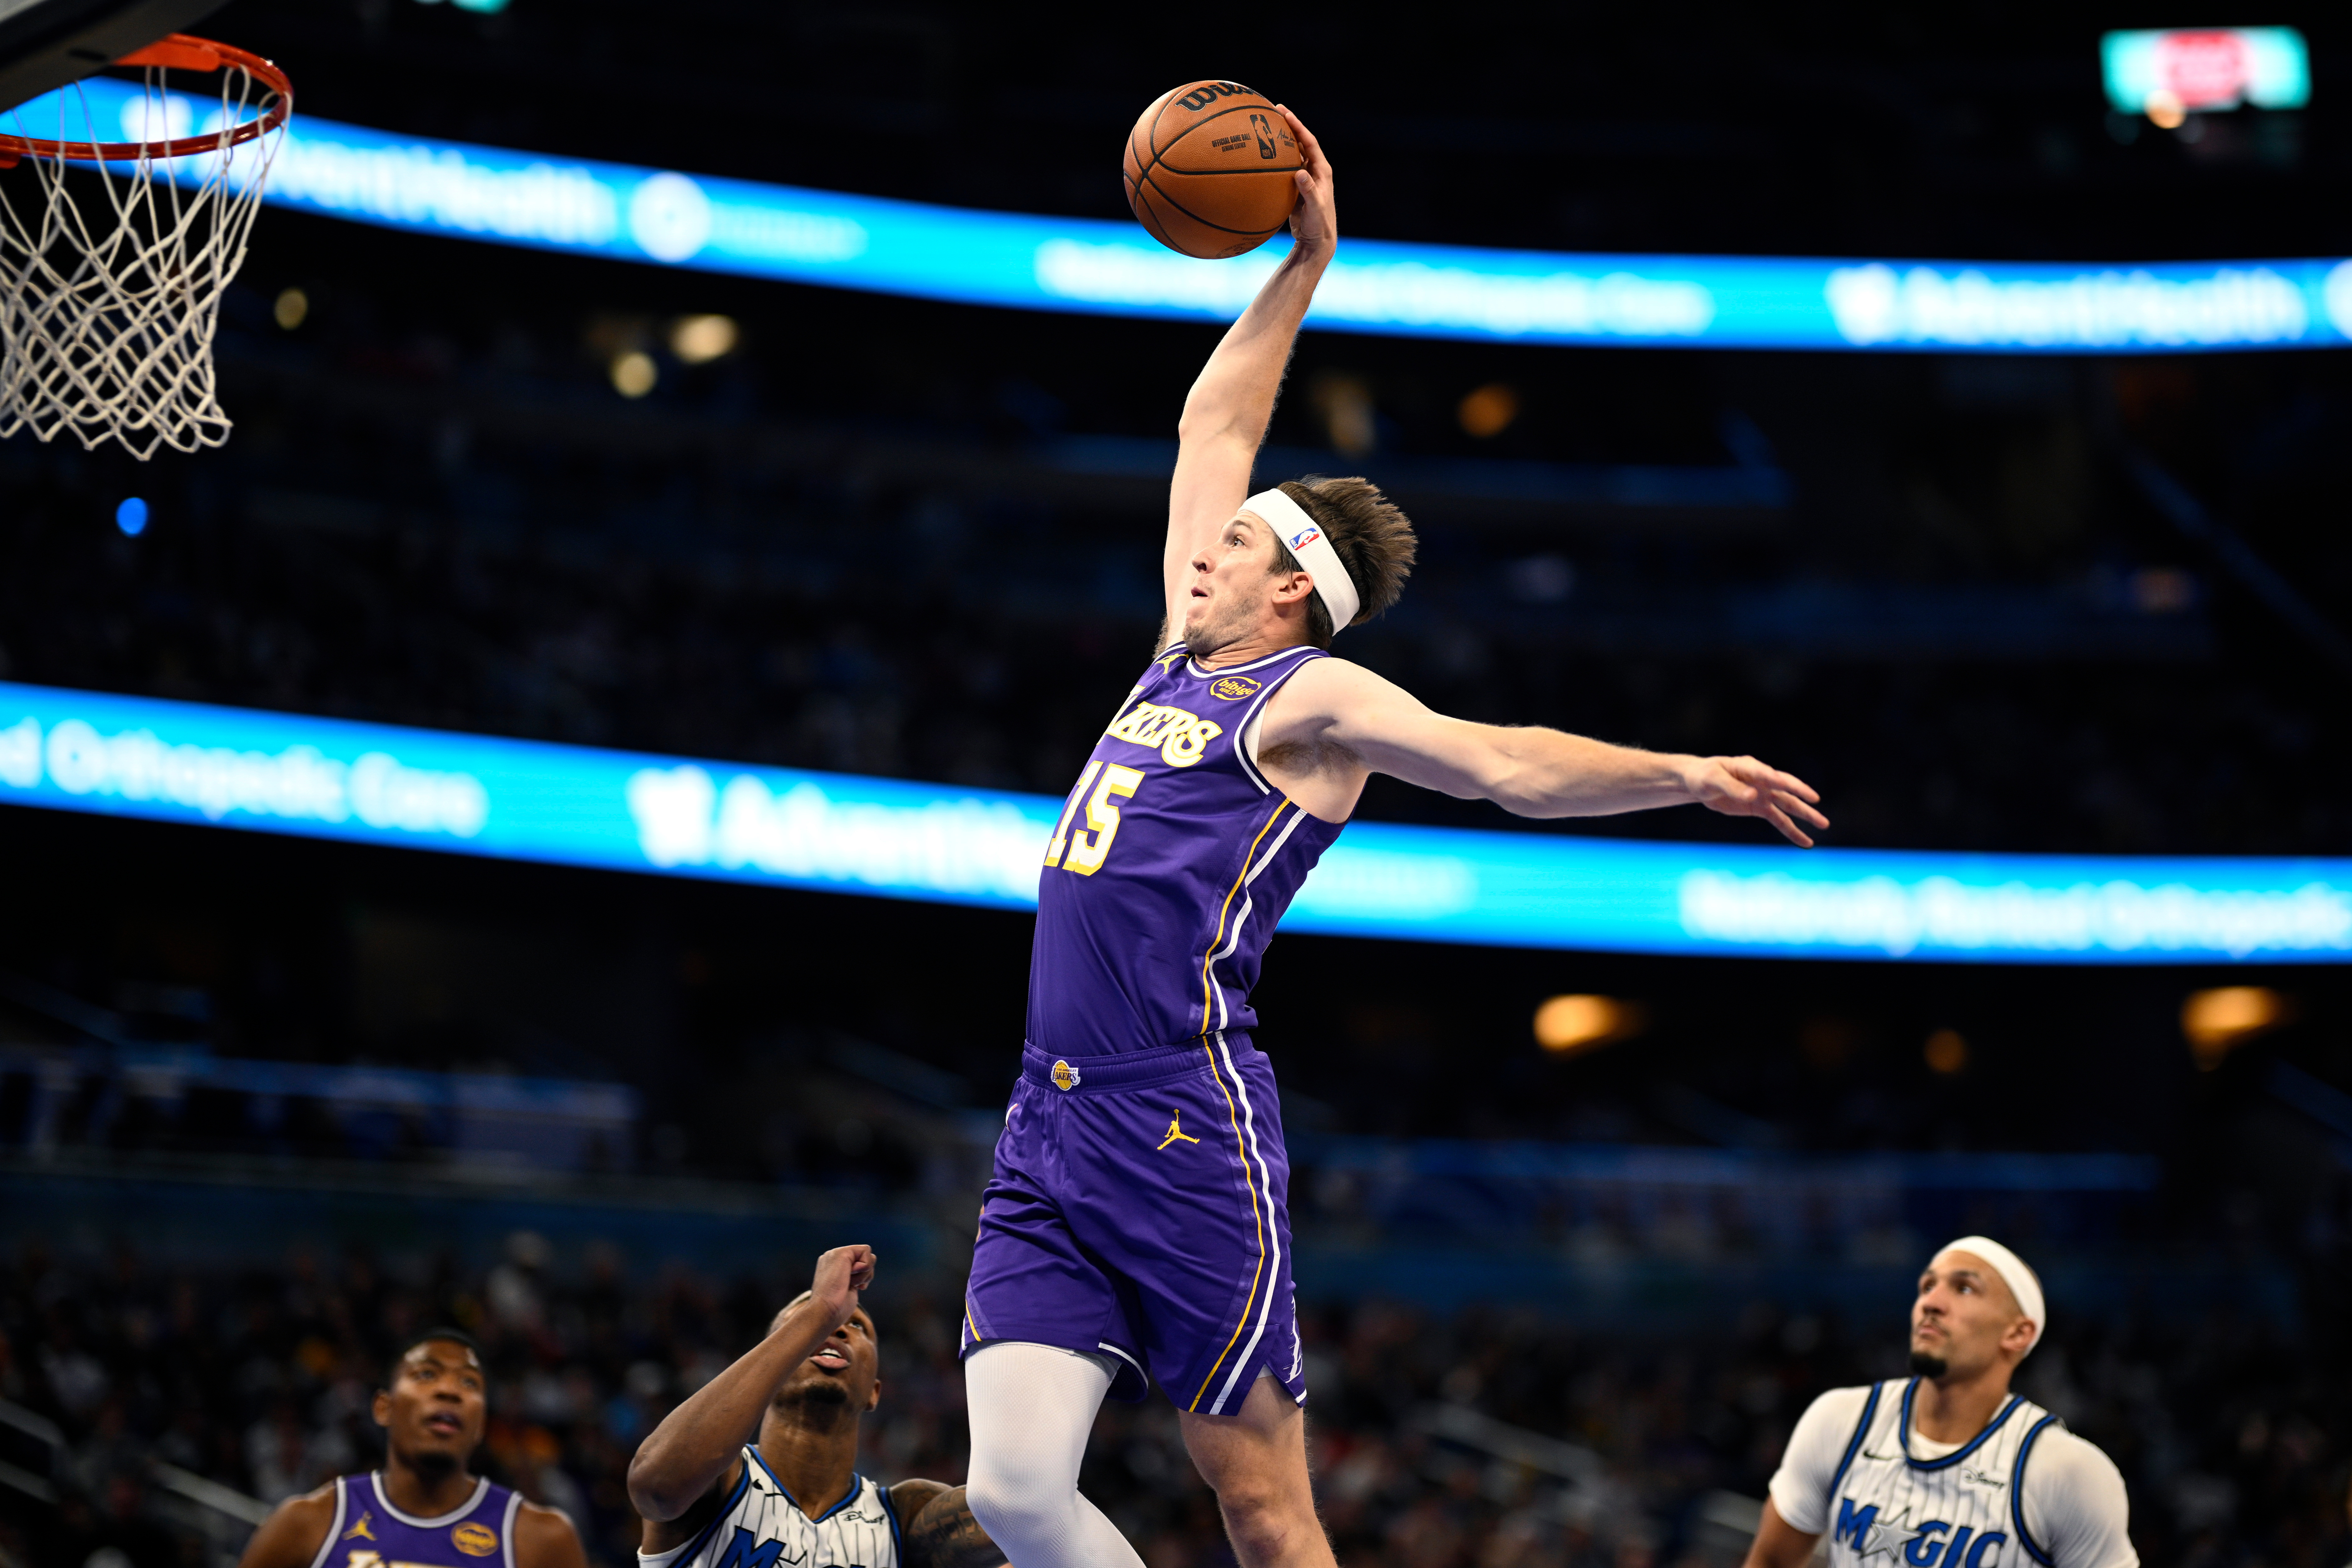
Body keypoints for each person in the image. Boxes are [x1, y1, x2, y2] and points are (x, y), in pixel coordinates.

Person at [957, 102, 1830, 1568]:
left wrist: (1683, 772)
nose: (1208, 540)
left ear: (1289, 585)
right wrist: (1303, 267)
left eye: (1237, 540)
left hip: (1183, 1123)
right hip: (1048, 1120)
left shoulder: (1309, 696)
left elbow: (1502, 766)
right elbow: (1213, 421)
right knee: (1015, 1496)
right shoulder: (1182, 647)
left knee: (1261, 1502)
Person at [1742, 1237, 2137, 1568]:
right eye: (1928, 1286)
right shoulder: (1839, 1420)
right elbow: (1770, 1563)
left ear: (2018, 1333)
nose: (1932, 1302)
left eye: (1964, 1289)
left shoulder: (2068, 1472)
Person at [628, 1244, 1002, 1568]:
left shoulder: (905, 1516)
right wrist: (821, 1308)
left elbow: (1020, 1512)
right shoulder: (721, 1481)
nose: (837, 1327)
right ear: (767, 1368)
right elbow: (656, 1485)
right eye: (808, 1322)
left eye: (857, 1326)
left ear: (875, 1392)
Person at [236, 1329, 587, 1568]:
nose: (449, 1391)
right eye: (426, 1375)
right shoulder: (305, 1525)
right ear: (383, 1408)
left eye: (468, 1382)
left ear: (480, 1425)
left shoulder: (543, 1541)